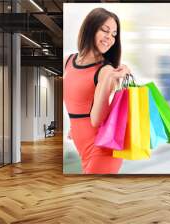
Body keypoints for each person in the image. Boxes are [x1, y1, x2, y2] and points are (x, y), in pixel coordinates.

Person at [63, 8, 131, 174]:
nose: (110, 38)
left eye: (114, 34)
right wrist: (75, 126)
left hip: (103, 148)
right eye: (105, 30)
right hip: (83, 148)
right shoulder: (67, 61)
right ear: (90, 28)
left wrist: (109, 79)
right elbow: (76, 100)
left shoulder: (105, 70)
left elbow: (96, 120)